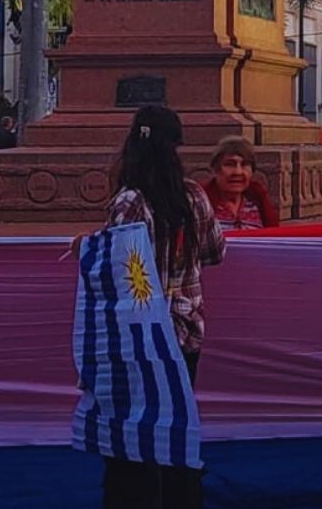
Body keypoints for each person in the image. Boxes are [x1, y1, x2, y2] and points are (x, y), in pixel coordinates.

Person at [99, 105, 225, 508]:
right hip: (184, 329)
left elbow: (117, 270)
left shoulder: (129, 202)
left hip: (138, 335)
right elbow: (215, 251)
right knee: (176, 424)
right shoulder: (192, 195)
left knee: (133, 428)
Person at [201, 136, 279, 229]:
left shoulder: (258, 201)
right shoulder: (201, 202)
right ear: (215, 169)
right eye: (230, 164)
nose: (238, 172)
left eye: (245, 164)